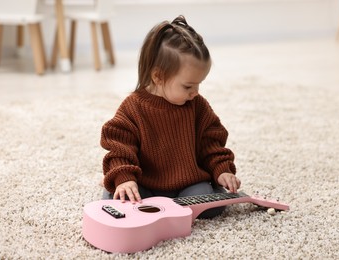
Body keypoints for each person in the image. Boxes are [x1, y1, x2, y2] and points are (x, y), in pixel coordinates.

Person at [100, 15, 241, 218]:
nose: (196, 92)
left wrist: (222, 170)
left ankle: (198, 197)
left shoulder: (197, 105)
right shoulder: (133, 107)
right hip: (145, 184)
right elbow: (120, 147)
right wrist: (124, 177)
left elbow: (211, 143)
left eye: (199, 84)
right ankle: (125, 186)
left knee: (213, 206)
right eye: (188, 86)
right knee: (118, 198)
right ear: (158, 76)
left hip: (188, 185)